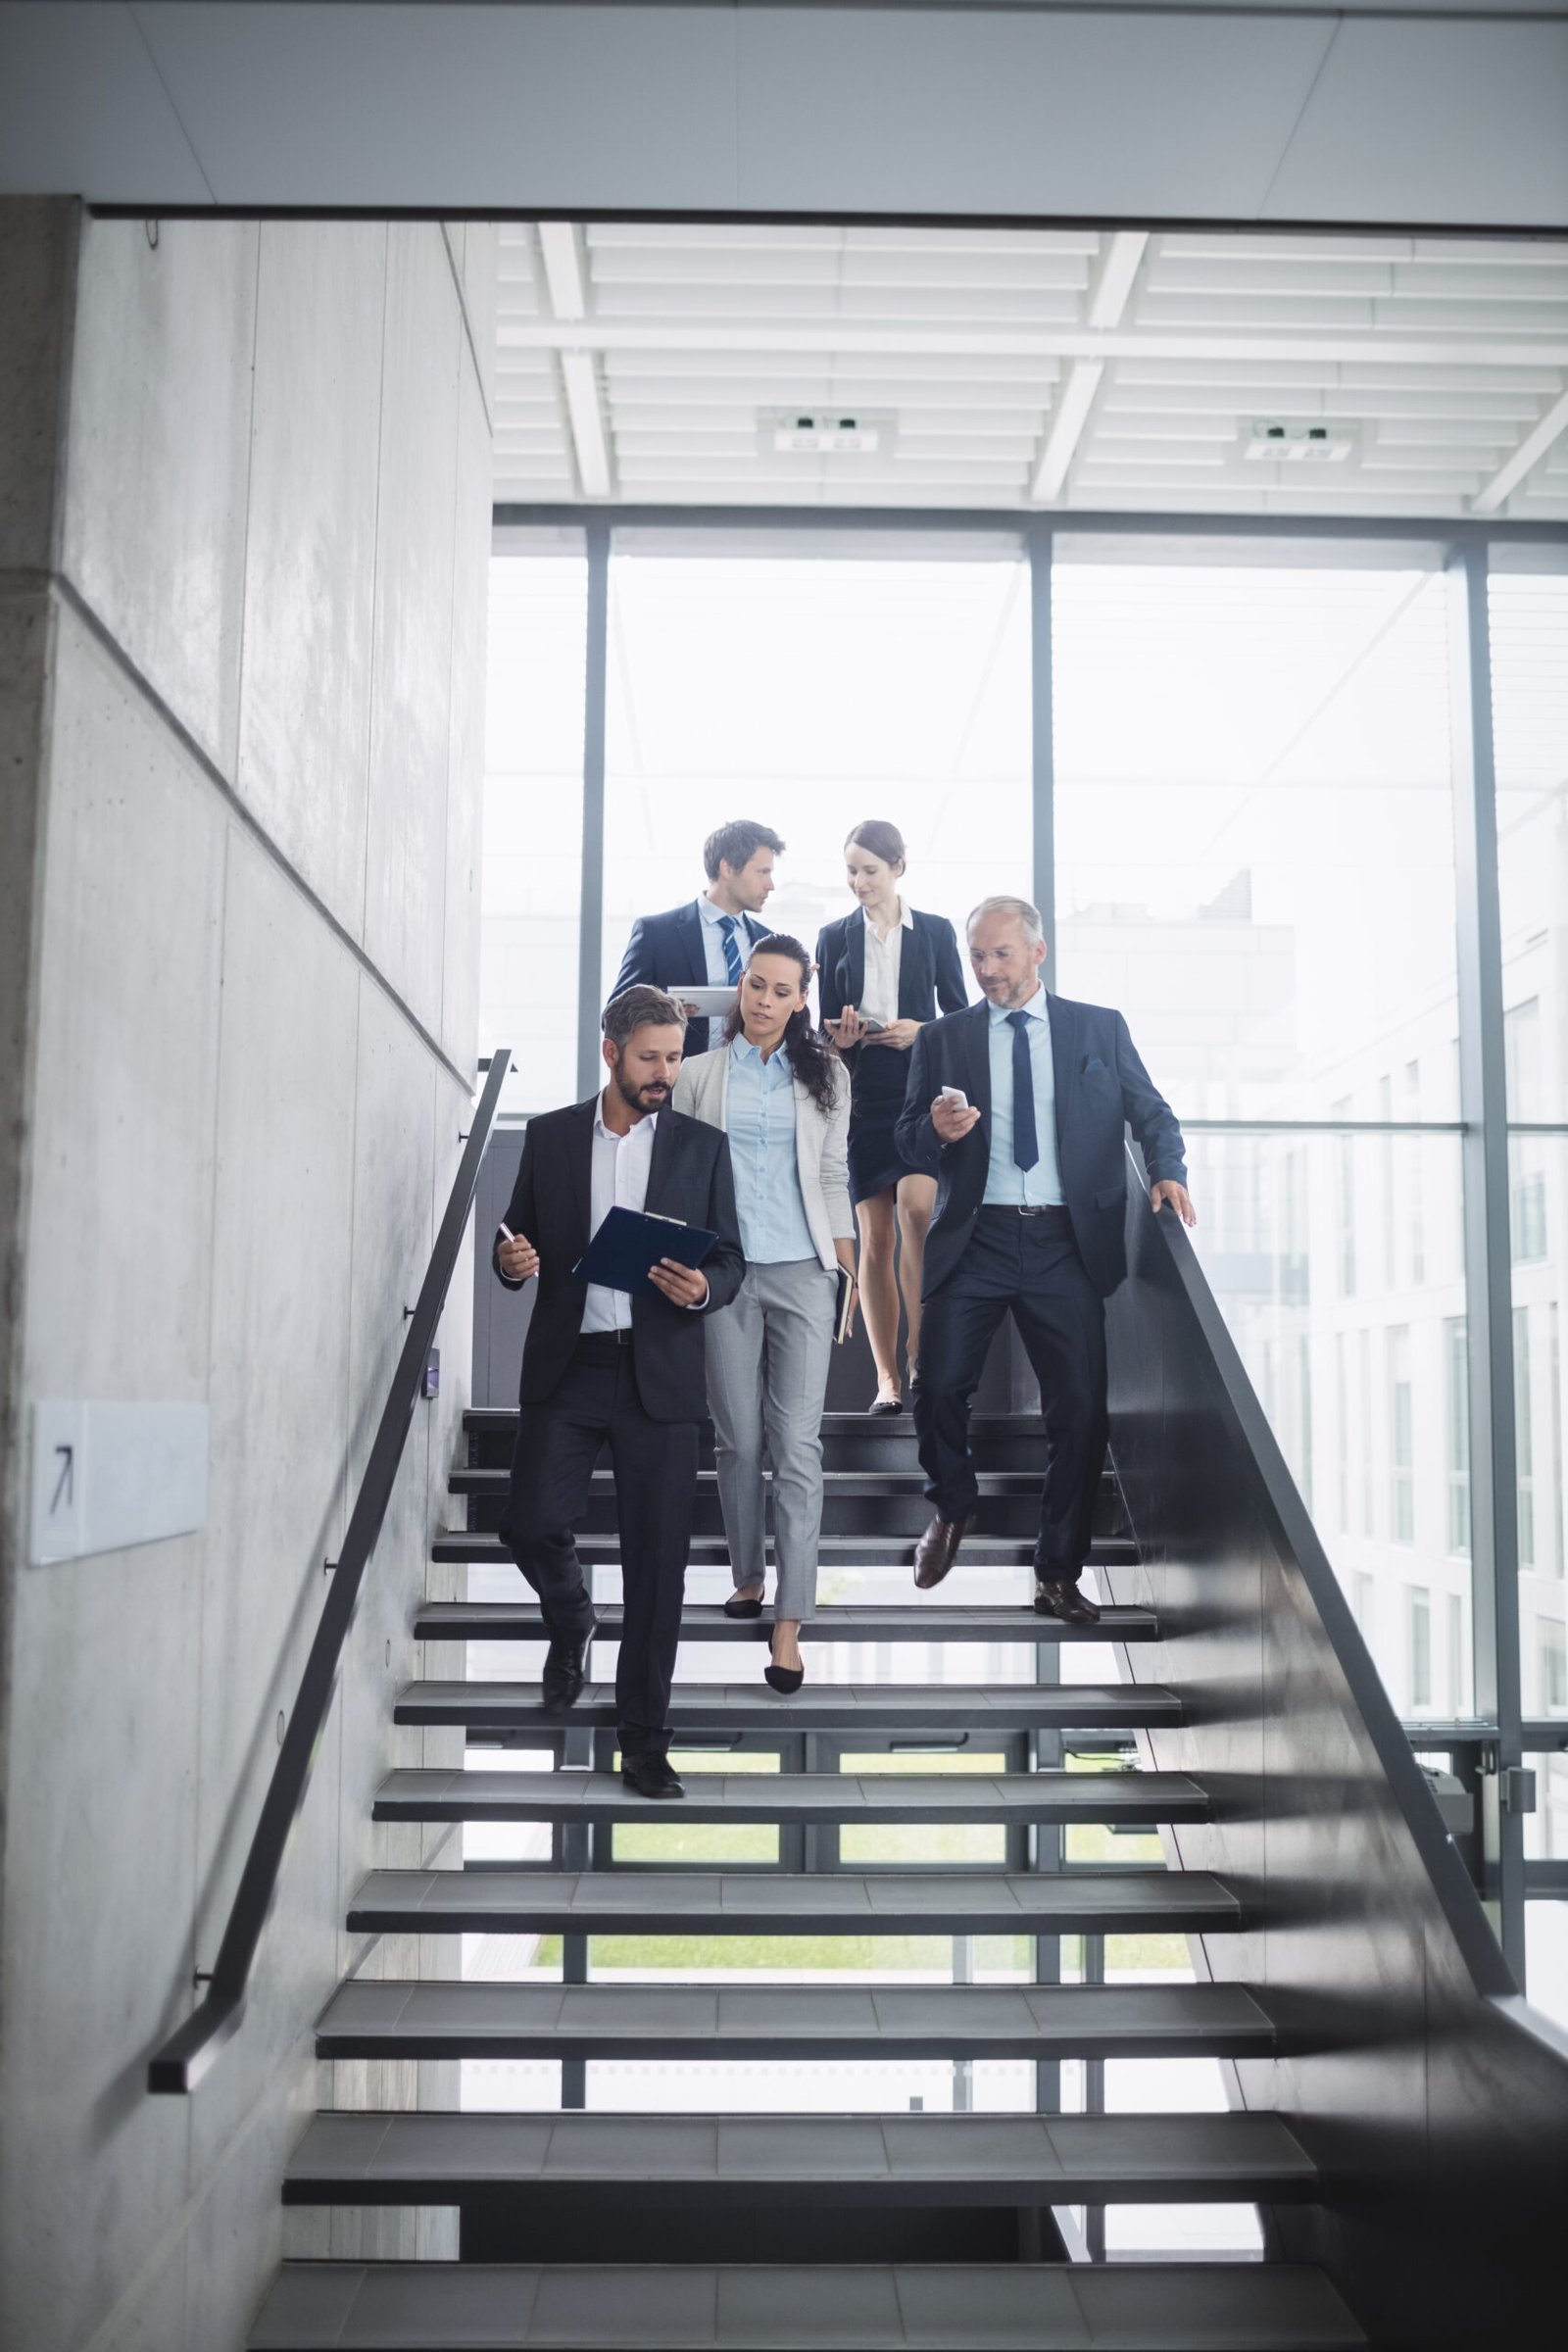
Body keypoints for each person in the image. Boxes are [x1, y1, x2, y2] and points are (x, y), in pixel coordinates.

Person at [894, 896, 1195, 1624]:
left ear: (1037, 952)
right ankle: (953, 1506)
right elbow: (904, 1141)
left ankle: (1057, 1572)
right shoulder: (944, 1038)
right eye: (977, 957)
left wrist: (1167, 1167)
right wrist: (932, 1131)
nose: (988, 970)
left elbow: (1150, 1110)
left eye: (1001, 955)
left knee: (1082, 1415)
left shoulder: (1098, 1028)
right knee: (936, 1390)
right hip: (976, 1238)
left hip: (1066, 1243)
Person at [492, 984, 745, 1798]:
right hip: (571, 1366)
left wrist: (700, 1288)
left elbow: (731, 1262)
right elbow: (515, 1235)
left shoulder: (702, 1147)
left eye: (673, 1058)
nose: (664, 1073)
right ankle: (571, 1617)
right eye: (650, 1058)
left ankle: (643, 1742)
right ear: (611, 1053)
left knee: (658, 1570)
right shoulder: (552, 1136)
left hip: (660, 1378)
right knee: (529, 1524)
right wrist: (510, 1263)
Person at [673, 935, 857, 1694]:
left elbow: (833, 1170)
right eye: (755, 985)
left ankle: (789, 1622)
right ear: (739, 987)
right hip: (723, 1273)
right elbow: (672, 1175)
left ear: (801, 1000)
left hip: (806, 1272)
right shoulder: (695, 1075)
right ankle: (747, 1573)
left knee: (797, 1444)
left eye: (783, 991)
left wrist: (846, 1270)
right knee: (740, 1439)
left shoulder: (827, 1076)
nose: (765, 1001)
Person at [815, 820, 967, 1415]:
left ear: (899, 867)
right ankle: (887, 1380)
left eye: (869, 871)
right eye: (850, 870)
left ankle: (919, 1353)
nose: (858, 882)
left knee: (918, 1210)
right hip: (863, 1097)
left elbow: (960, 1013)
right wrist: (846, 1037)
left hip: (921, 1091)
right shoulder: (833, 937)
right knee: (874, 1239)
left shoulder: (933, 932)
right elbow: (825, 1035)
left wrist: (922, 1030)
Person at [612, 818, 785, 1054]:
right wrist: (662, 1012)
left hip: (751, 1082)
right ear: (727, 868)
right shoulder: (657, 934)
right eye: (762, 872)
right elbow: (614, 1018)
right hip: (677, 1081)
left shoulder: (769, 942)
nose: (770, 885)